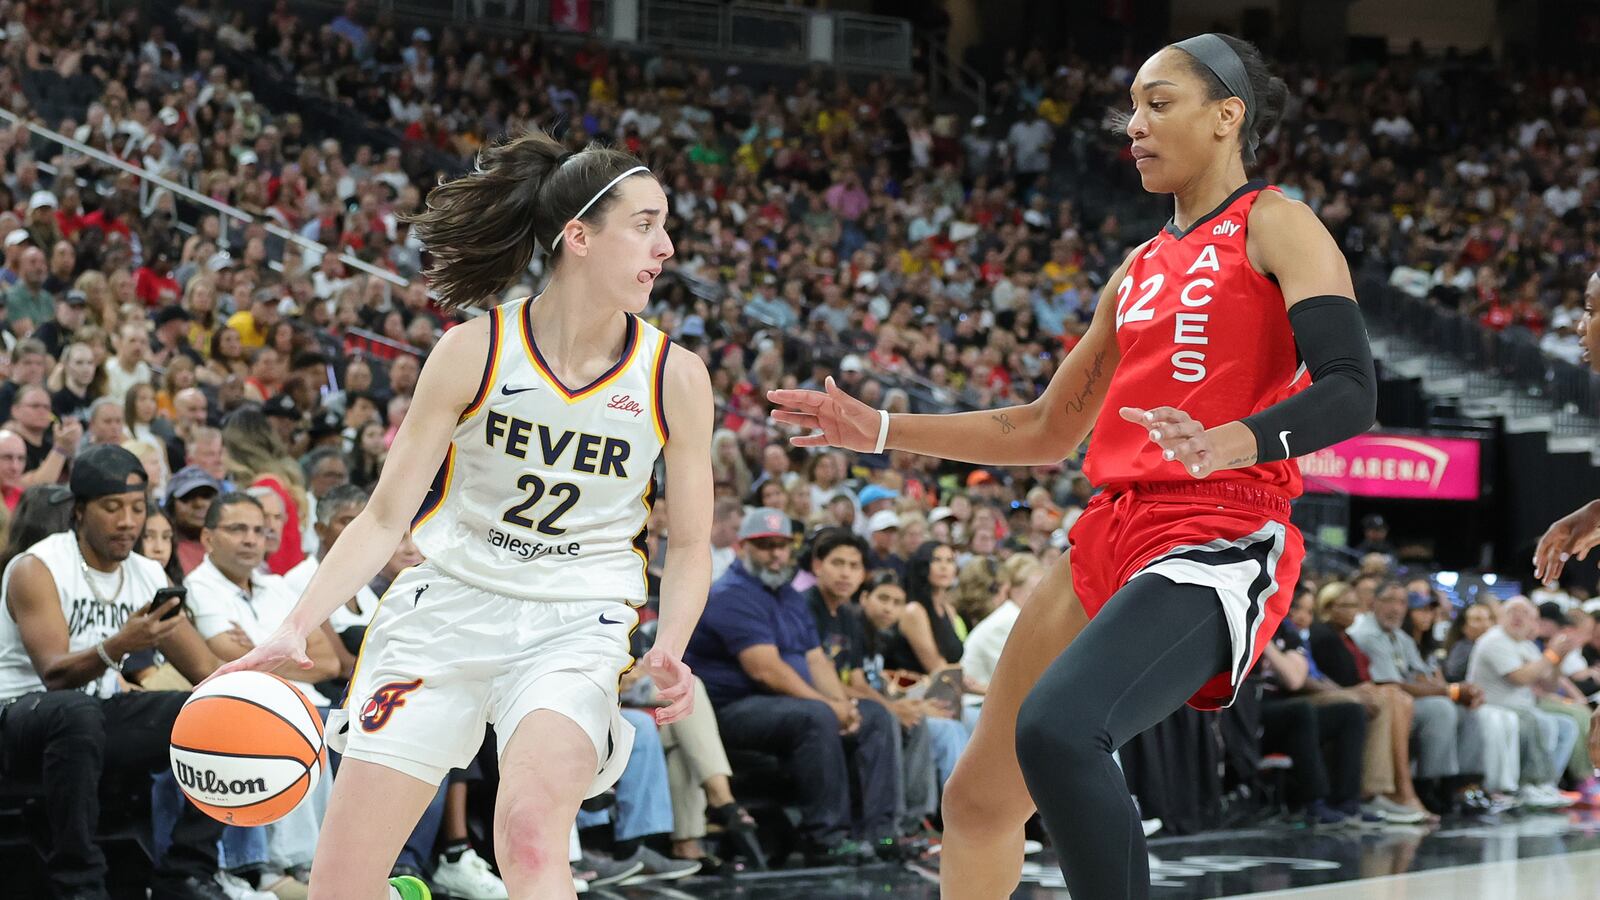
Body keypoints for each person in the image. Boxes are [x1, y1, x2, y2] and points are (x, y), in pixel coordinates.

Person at [768, 33, 1377, 898]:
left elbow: (1351, 389)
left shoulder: (1277, 222)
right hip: (1114, 527)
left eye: (1158, 104)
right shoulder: (1135, 269)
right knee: (978, 799)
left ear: (1226, 116)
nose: (1135, 125)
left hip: (1221, 527)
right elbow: (1043, 429)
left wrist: (1230, 441)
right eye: (1131, 108)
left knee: (1058, 730)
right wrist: (882, 428)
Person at [213, 131, 712, 900]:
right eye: (645, 224)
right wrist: (296, 624)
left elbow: (693, 543)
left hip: (576, 620)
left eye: (664, 226)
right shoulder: (473, 351)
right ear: (579, 236)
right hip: (446, 607)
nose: (666, 247)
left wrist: (671, 644)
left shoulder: (674, 375)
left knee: (531, 838)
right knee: (339, 885)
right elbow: (384, 518)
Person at [0, 446, 230, 900]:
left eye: (137, 508)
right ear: (80, 510)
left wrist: (261, 685)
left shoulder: (146, 574)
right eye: (112, 508)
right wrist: (121, 643)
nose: (127, 522)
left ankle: (187, 871)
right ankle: (80, 883)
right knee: (75, 711)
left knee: (217, 707)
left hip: (94, 717)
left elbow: (206, 669)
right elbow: (54, 675)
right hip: (19, 718)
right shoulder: (38, 567)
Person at [682, 508, 899, 865]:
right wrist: (829, 707)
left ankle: (881, 833)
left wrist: (845, 706)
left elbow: (817, 661)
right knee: (815, 716)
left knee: (873, 715)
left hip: (781, 704)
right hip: (732, 709)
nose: (776, 554)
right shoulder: (730, 594)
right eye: (765, 545)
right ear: (742, 547)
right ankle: (826, 838)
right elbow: (765, 670)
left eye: (782, 545)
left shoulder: (790, 596)